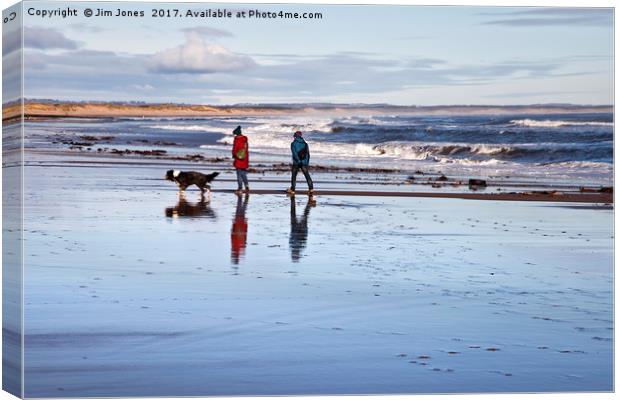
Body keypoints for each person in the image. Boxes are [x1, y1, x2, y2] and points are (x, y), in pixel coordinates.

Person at [287, 131, 314, 195]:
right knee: (307, 175)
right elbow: (308, 154)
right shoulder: (305, 144)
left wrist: (299, 161)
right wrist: (306, 163)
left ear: (295, 136)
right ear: (301, 136)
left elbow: (295, 154)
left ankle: (292, 190)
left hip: (296, 163)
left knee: (294, 176)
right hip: (304, 162)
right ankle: (311, 189)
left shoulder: (293, 144)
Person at [231, 125, 249, 194]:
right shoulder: (245, 139)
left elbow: (234, 149)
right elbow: (246, 149)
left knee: (239, 174)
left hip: (238, 158)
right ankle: (246, 185)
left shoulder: (237, 140)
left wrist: (233, 155)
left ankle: (240, 188)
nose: (235, 135)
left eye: (235, 134)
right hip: (245, 158)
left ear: (237, 134)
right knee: (243, 173)